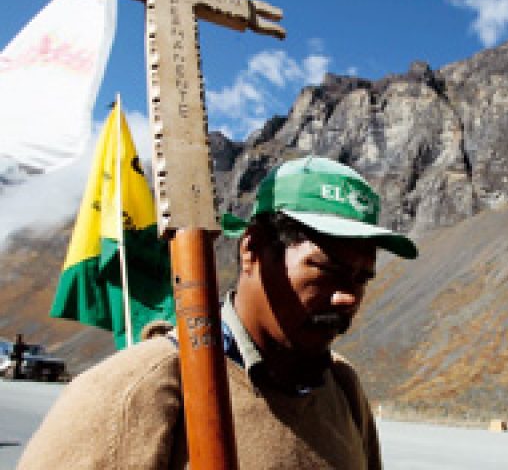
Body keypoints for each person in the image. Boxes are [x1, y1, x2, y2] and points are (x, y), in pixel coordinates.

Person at [18, 156, 418, 469]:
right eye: (327, 270)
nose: (348, 297)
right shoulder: (133, 393)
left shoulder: (343, 389)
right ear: (252, 249)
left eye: (362, 278)